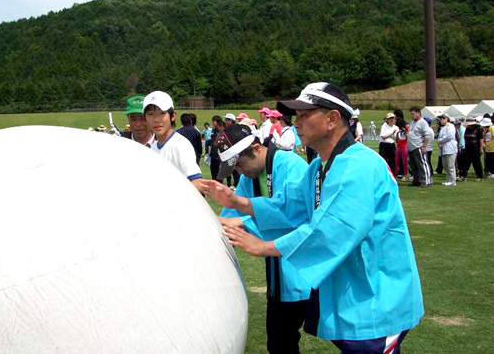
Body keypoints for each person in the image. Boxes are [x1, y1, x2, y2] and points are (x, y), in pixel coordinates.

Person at [208, 82, 424, 352]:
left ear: (332, 119)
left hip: (376, 298)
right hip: (355, 296)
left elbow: (330, 230)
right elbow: (289, 207)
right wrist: (236, 201)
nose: (296, 122)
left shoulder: (359, 165)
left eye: (304, 114)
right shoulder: (318, 167)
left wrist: (263, 246)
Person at [203, 125, 310, 354]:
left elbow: (292, 213)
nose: (239, 172)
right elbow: (229, 218)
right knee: (280, 343)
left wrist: (242, 221)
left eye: (240, 164)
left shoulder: (292, 165)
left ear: (256, 147)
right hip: (277, 272)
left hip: (304, 267)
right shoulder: (250, 177)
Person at [143, 91, 205, 191]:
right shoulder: (153, 149)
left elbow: (196, 181)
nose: (156, 120)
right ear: (145, 118)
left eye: (162, 113)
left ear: (173, 116)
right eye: (150, 114)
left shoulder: (180, 145)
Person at [408, 107, 433, 187]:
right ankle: (416, 180)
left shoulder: (423, 122)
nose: (412, 116)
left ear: (418, 113)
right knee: (414, 165)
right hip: (411, 147)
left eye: (413, 114)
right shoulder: (412, 122)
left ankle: (426, 181)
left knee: (422, 164)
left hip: (418, 146)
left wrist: (425, 147)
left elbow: (427, 135)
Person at [459, 116, 483, 182]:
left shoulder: (478, 128)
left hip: (476, 148)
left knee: (476, 163)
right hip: (467, 147)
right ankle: (463, 176)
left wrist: (481, 148)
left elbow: (481, 138)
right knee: (466, 162)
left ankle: (479, 176)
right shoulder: (467, 129)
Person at [437, 114, 457, 186]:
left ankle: (452, 181)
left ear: (446, 119)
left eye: (442, 118)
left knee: (450, 165)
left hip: (450, 148)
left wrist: (441, 141)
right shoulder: (442, 128)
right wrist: (439, 142)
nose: (441, 120)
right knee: (445, 165)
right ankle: (448, 179)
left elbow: (450, 136)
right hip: (443, 149)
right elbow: (439, 138)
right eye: (440, 119)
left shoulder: (451, 126)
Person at [423, 117, 435, 181]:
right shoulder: (430, 129)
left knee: (427, 163)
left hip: (427, 148)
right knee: (428, 162)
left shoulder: (428, 130)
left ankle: (429, 176)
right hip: (429, 148)